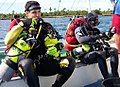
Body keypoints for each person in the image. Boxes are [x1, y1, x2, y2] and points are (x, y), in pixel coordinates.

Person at [0, 1, 76, 87]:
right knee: (26, 63)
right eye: (34, 12)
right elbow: (7, 41)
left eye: (39, 12)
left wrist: (57, 51)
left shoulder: (46, 26)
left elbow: (57, 43)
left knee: (71, 61)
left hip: (43, 64)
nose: (37, 15)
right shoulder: (21, 27)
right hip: (27, 68)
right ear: (27, 13)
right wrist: (22, 25)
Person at [64, 12, 119, 79]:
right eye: (94, 21)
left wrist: (110, 33)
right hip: (85, 55)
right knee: (100, 54)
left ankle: (115, 76)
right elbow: (81, 40)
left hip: (96, 52)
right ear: (89, 21)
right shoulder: (79, 29)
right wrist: (98, 36)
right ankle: (107, 78)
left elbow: (104, 38)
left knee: (113, 50)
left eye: (96, 21)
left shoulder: (95, 30)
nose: (96, 23)